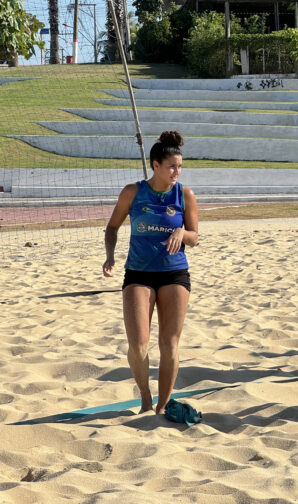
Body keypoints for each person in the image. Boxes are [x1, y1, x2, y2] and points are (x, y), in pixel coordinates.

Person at [103, 131, 199, 414]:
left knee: (169, 344)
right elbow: (112, 227)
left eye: (179, 167)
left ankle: (163, 405)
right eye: (171, 167)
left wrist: (182, 233)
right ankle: (146, 399)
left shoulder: (185, 194)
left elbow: (195, 237)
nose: (176, 172)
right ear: (155, 165)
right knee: (138, 345)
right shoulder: (133, 192)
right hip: (138, 273)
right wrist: (110, 256)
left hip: (174, 273)